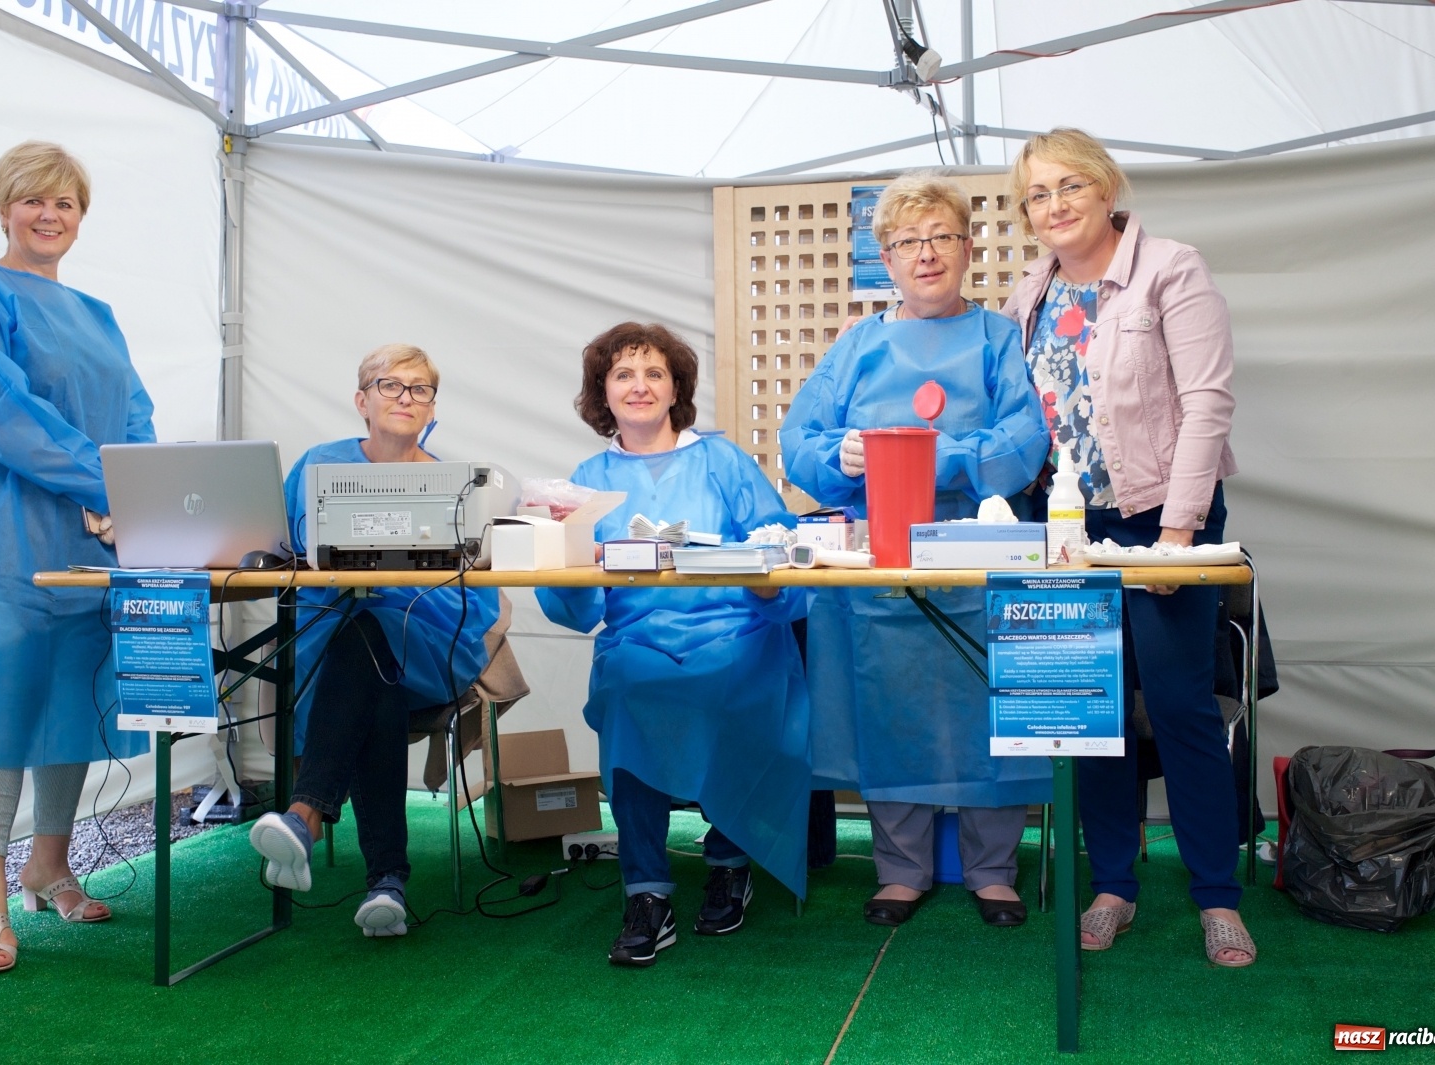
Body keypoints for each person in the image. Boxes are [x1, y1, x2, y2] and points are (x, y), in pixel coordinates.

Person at [1002, 128, 1254, 967]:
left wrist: (1178, 538)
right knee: (1088, 716)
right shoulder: (1026, 295)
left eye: (1071, 185)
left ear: (1108, 188)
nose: (1055, 204)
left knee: (1181, 710)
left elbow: (1207, 401)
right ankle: (1114, 884)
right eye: (1038, 193)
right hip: (1067, 530)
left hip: (1162, 521)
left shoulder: (1170, 268)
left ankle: (1217, 894)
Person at [780, 173, 1050, 929]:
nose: (924, 254)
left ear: (967, 248)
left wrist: (935, 458)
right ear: (886, 260)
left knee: (986, 705)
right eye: (907, 242)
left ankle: (993, 870)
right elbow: (799, 442)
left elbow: (1024, 443)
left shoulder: (997, 338)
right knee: (888, 701)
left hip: (978, 555)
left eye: (939, 237)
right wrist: (845, 455)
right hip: (884, 565)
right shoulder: (859, 345)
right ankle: (901, 869)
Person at [0, 141, 156, 973]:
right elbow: (1, 413)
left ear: (81, 217)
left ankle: (49, 861)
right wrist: (103, 483)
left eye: (65, 203)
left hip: (91, 532)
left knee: (71, 691)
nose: (49, 215)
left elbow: (134, 411)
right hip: (4, 527)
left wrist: (138, 492)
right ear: (4, 208)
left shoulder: (96, 313)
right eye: (34, 201)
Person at [536, 322, 810, 967]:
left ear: (676, 387)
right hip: (637, 637)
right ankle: (647, 891)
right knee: (629, 689)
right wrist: (561, 550)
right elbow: (573, 608)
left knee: (728, 681)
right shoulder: (587, 479)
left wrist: (770, 588)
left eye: (654, 373)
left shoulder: (722, 462)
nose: (639, 386)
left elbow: (790, 554)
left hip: (734, 630)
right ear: (602, 392)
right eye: (624, 374)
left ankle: (728, 857)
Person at [248, 344, 503, 937]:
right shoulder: (318, 465)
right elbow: (282, 550)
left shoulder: (460, 486)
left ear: (432, 407)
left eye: (420, 389)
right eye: (391, 386)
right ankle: (386, 883)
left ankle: (306, 816)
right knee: (369, 664)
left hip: (432, 639)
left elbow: (479, 592)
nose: (406, 398)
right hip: (337, 640)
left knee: (368, 636)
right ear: (362, 401)